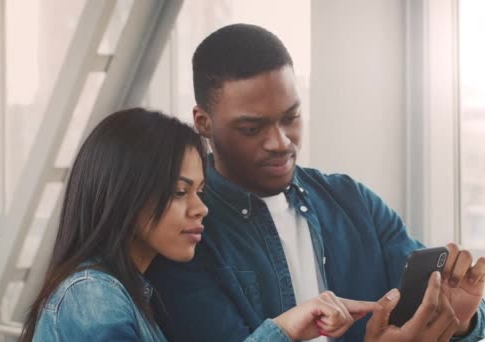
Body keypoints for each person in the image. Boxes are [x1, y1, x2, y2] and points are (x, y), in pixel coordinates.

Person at [146, 24, 485, 342]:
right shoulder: (184, 233)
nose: (280, 142)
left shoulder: (353, 201)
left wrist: (458, 322)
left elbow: (424, 307)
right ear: (203, 122)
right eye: (252, 129)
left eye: (291, 117)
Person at [21, 108, 376, 342]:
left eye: (201, 191)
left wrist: (288, 328)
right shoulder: (94, 296)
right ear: (123, 195)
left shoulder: (127, 293)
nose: (200, 209)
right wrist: (282, 330)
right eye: (179, 192)